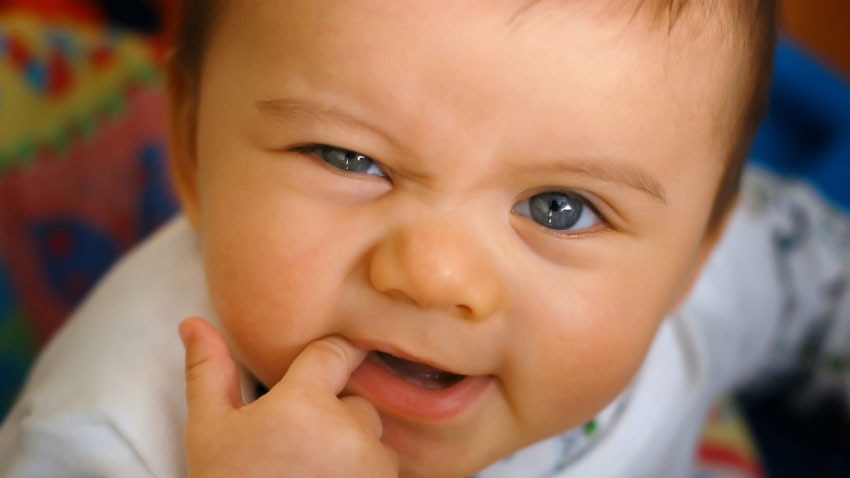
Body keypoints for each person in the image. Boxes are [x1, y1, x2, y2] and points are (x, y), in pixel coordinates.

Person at [2, 0, 848, 476]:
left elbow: (809, 285)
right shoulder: (109, 437)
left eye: (560, 209)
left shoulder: (713, 279)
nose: (436, 276)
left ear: (689, 260)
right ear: (189, 146)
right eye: (349, 158)